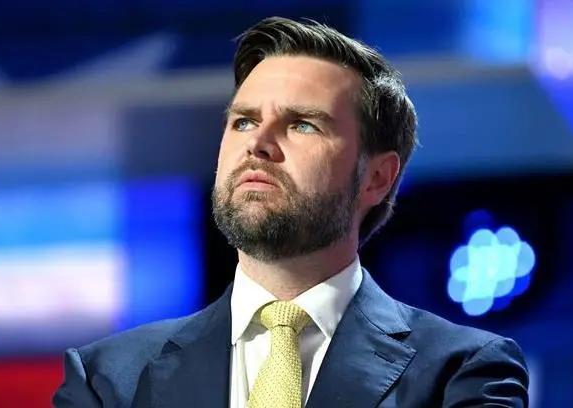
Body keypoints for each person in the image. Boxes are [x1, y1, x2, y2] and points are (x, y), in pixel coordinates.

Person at [53, 17, 529, 407]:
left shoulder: (460, 373)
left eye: (302, 124)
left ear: (376, 177)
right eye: (244, 121)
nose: (258, 144)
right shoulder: (108, 380)